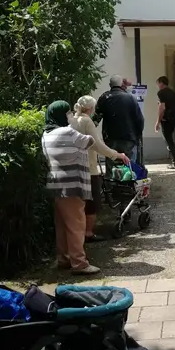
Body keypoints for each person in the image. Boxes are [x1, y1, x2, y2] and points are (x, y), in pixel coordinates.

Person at [44, 100, 128, 275]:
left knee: (62, 225)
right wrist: (116, 154)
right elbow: (90, 142)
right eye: (67, 113)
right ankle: (79, 263)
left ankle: (63, 258)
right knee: (76, 224)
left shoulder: (46, 134)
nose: (69, 115)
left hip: (56, 184)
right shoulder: (68, 132)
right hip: (73, 184)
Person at [73, 94, 126, 243]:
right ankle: (88, 233)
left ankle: (77, 234)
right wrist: (116, 155)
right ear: (91, 108)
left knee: (79, 204)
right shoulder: (87, 121)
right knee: (92, 203)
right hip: (89, 168)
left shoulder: (73, 120)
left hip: (75, 167)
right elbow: (96, 144)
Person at [98, 75, 144, 165]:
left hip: (110, 137)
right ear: (122, 84)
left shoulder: (104, 97)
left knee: (112, 160)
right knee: (128, 163)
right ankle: (128, 178)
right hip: (128, 137)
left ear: (110, 85)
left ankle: (111, 177)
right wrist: (137, 135)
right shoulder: (130, 98)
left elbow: (96, 117)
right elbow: (139, 119)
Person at [155, 76, 175, 168]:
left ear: (161, 83)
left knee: (169, 141)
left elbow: (162, 108)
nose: (158, 85)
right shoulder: (173, 94)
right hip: (173, 119)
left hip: (166, 119)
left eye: (158, 83)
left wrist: (158, 121)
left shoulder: (161, 93)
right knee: (170, 140)